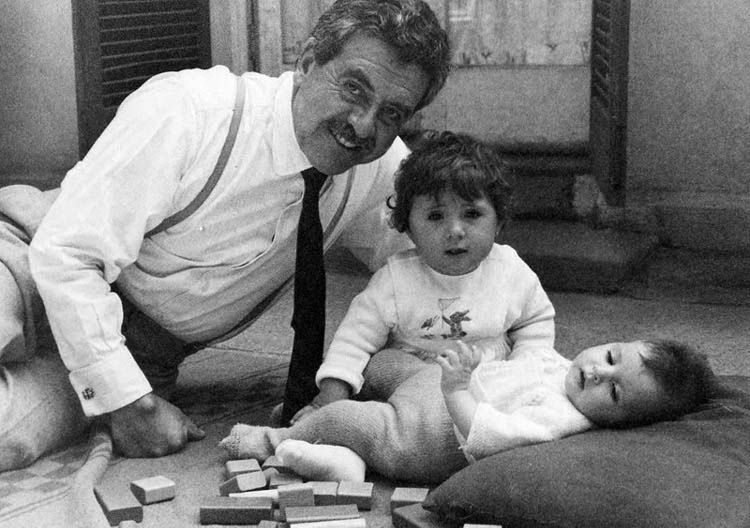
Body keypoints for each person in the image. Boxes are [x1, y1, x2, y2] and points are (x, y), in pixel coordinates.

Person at [0, 0, 451, 471]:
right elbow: (66, 252)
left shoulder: (380, 170)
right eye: (354, 88)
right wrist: (127, 404)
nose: (363, 126)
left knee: (11, 435)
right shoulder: (191, 110)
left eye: (391, 113)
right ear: (309, 62)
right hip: (30, 259)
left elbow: (443, 272)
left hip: (138, 352)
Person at [221, 129, 559, 482]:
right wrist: (330, 395)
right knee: (372, 376)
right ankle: (318, 435)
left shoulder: (510, 271)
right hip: (406, 379)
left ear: (499, 221)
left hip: (484, 381)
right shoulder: (396, 279)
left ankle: (350, 448)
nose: (455, 230)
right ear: (408, 228)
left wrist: (526, 370)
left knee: (532, 414)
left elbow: (535, 322)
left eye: (472, 214)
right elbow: (355, 340)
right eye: (435, 217)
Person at [220, 338, 717, 484]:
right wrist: (482, 360)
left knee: (351, 420)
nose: (597, 374)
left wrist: (457, 385)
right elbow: (516, 363)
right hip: (431, 388)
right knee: (383, 362)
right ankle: (340, 443)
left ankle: (279, 439)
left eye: (613, 394)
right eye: (611, 358)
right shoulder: (565, 366)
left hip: (424, 435)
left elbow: (484, 434)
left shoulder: (560, 420)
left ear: (618, 423)